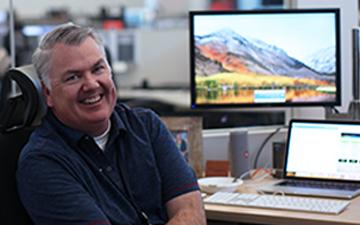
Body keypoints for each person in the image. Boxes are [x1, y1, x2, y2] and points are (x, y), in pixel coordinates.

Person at [16, 23, 206, 225]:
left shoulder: (146, 126)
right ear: (48, 93)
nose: (91, 84)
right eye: (73, 77)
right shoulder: (42, 162)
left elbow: (191, 211)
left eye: (98, 69)